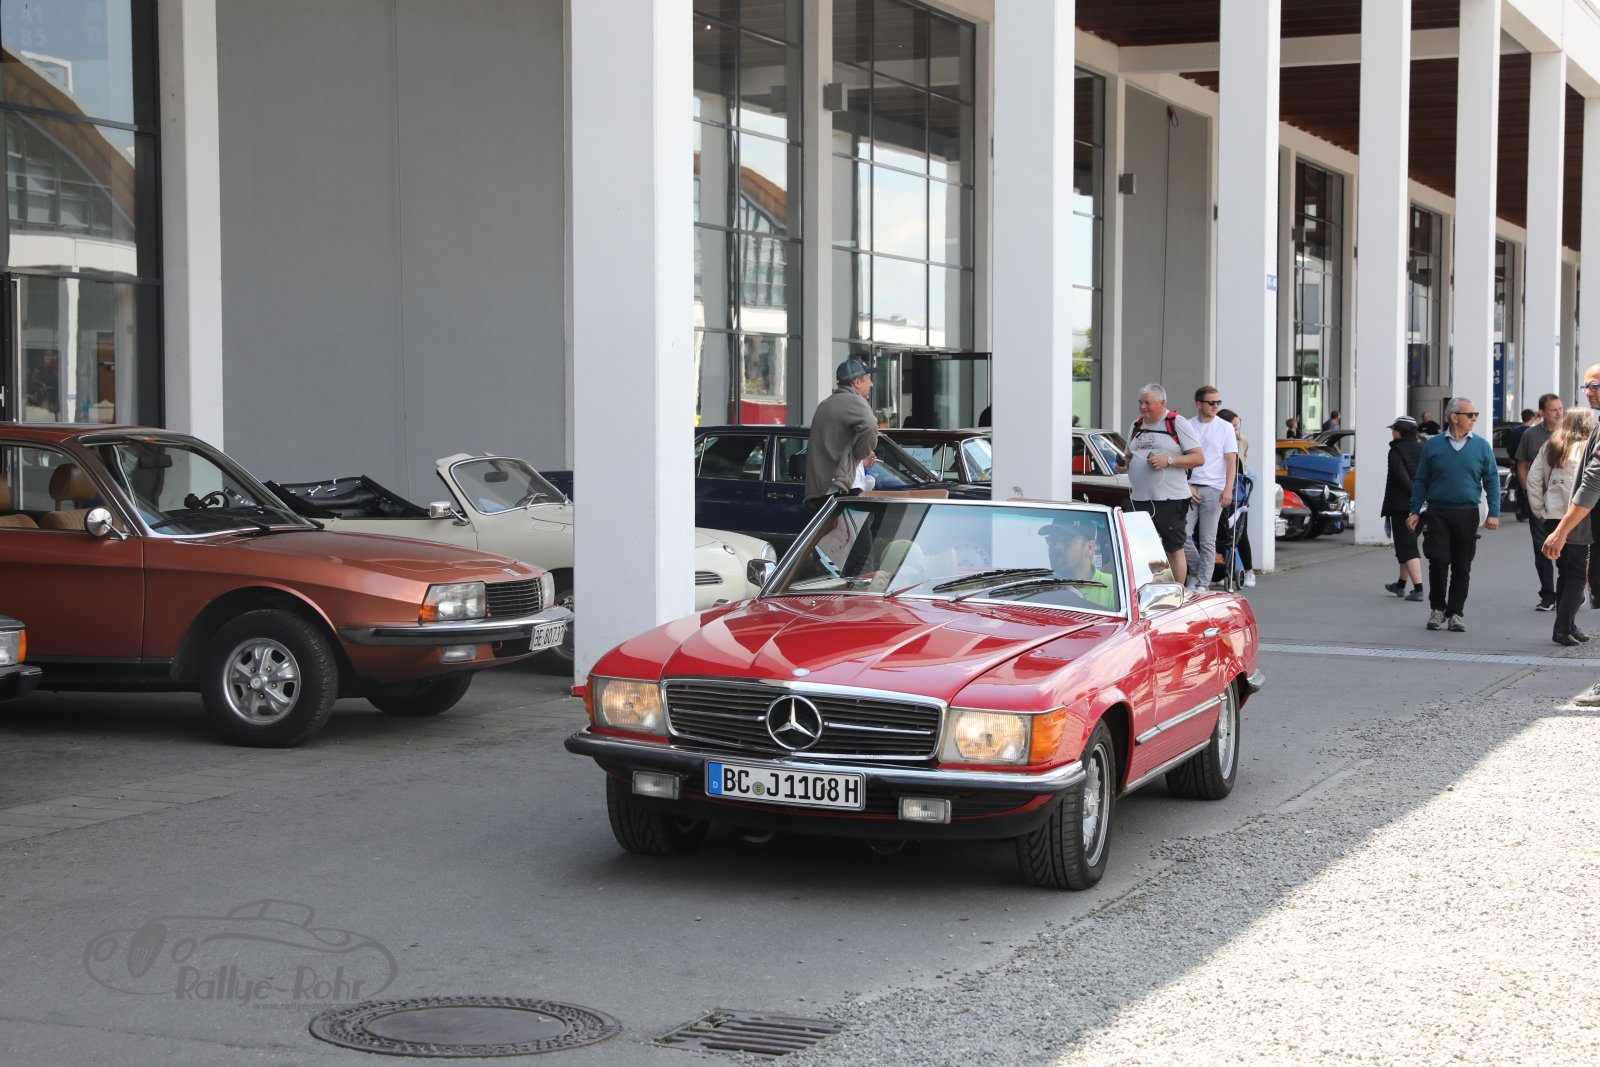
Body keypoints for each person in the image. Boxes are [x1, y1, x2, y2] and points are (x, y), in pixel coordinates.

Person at [1407, 397, 1500, 632]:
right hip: (1437, 512)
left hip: (1467, 513)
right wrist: (1415, 510)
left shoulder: (1481, 446)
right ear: (1454, 417)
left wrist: (1494, 512)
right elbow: (1421, 479)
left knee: (1462, 565)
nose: (1474, 418)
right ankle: (1437, 609)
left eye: (1476, 414)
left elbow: (1491, 480)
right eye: (1470, 414)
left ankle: (1455, 613)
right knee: (1438, 560)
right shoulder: (1433, 445)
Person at [1116, 384, 1204, 587]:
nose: (1142, 407)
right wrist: (1125, 465)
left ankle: (1178, 592)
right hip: (1140, 498)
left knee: (1173, 547)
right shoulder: (1136, 425)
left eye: (1148, 403)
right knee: (1147, 547)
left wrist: (1169, 460)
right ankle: (1158, 587)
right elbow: (1129, 456)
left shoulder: (1176, 422)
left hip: (1169, 498)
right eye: (1140, 402)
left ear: (1162, 403)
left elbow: (1198, 458)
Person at [1526, 408, 1597, 645]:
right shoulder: (1587, 447)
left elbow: (1534, 478)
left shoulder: (1551, 445)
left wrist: (1539, 510)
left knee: (1565, 571)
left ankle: (1568, 625)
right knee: (1577, 574)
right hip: (1578, 517)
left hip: (1553, 515)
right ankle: (1563, 628)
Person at [804, 358, 878, 511]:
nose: (871, 384)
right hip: (843, 489)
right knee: (862, 528)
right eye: (868, 379)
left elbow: (834, 447)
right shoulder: (855, 400)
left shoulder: (825, 404)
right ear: (857, 382)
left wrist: (859, 459)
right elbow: (871, 425)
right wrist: (860, 454)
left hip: (822, 490)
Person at [1184, 385, 1238, 593]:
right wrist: (1187, 485)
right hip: (1190, 487)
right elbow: (1181, 458)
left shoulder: (1225, 427)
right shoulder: (1187, 425)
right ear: (1199, 404)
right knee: (1182, 535)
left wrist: (1228, 489)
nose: (1216, 406)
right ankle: (1198, 572)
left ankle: (1202, 583)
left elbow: (1231, 460)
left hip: (1214, 488)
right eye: (1211, 402)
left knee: (1208, 540)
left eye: (1218, 402)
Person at [1512, 394, 1563, 611]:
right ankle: (1548, 595)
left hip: (1566, 503)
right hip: (1539, 502)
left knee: (1568, 550)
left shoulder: (1570, 434)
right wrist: (1527, 491)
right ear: (1542, 413)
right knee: (1542, 548)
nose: (1559, 413)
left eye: (1560, 409)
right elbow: (1522, 464)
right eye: (1554, 410)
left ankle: (1570, 591)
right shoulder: (1531, 435)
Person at [1380, 416, 1425, 602]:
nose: (1392, 432)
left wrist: (1414, 494)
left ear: (1401, 431)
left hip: (1401, 505)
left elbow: (1400, 476)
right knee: (1407, 544)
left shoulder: (1396, 451)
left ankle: (1418, 589)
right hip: (1422, 505)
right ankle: (1400, 585)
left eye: (1394, 429)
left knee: (1407, 546)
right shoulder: (1424, 446)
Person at [1038, 515, 1116, 609]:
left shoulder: (1114, 590)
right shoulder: (1037, 588)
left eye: (1067, 539)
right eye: (1053, 539)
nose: (1057, 546)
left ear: (1090, 548)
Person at [1216, 409, 1256, 587]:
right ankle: (1217, 569)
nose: (1235, 430)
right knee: (1216, 535)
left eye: (1236, 427)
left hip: (1236, 495)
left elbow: (1241, 463)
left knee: (1240, 533)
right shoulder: (1216, 442)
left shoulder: (1241, 440)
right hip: (1218, 493)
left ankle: (1249, 571)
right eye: (1233, 426)